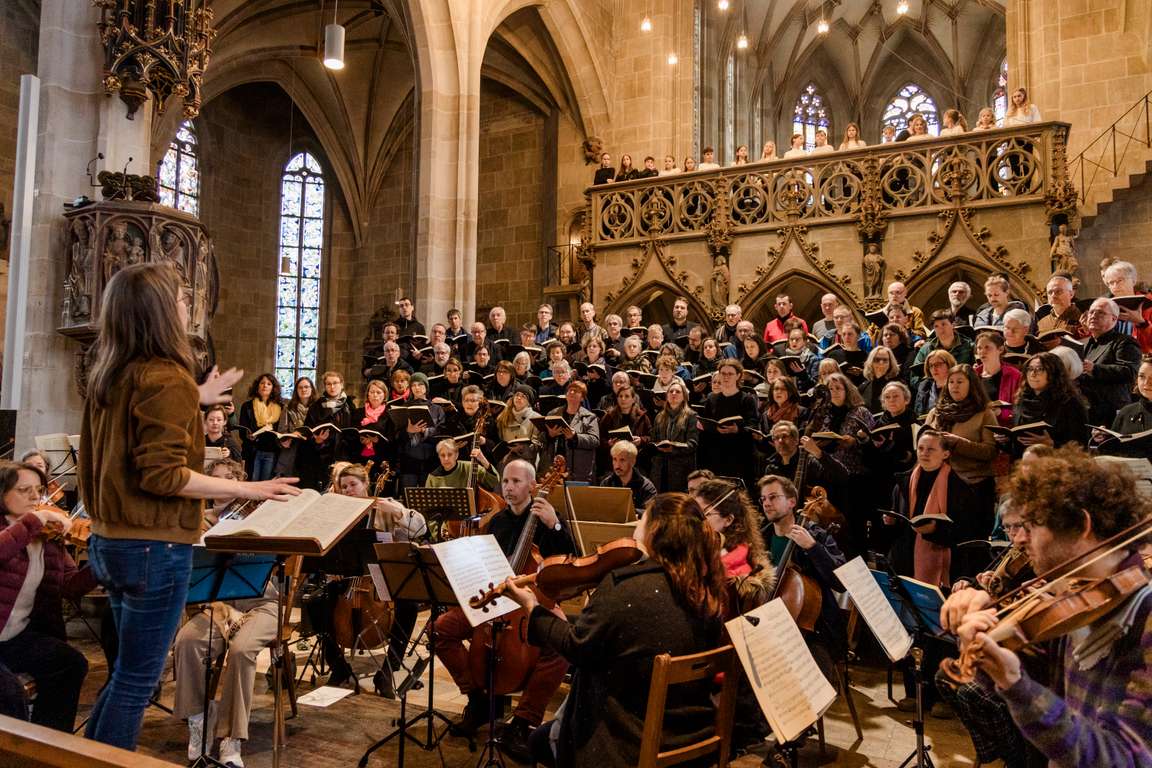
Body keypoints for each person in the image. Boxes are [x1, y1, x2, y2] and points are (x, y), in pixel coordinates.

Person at [78, 263, 299, 750]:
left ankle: (80, 759)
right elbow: (163, 476)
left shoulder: (111, 374)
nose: (186, 304)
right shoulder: (165, 378)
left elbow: (137, 433)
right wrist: (250, 491)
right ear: (159, 311)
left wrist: (193, 397)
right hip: (154, 545)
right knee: (137, 683)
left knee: (123, 678)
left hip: (109, 539)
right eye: (179, 298)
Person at [939, 446, 1151, 767]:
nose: (1021, 540)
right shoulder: (1074, 592)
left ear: (1082, 525)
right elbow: (1034, 681)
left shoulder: (1144, 615)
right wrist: (986, 626)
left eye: (1033, 524)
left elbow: (1125, 760)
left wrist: (1015, 684)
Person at [504, 492, 726, 768]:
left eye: (641, 519)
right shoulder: (705, 590)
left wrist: (533, 606)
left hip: (627, 743)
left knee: (540, 741)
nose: (635, 526)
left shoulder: (626, 586)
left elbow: (577, 648)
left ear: (654, 530)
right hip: (691, 737)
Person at [435, 460, 576, 759]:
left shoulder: (548, 518)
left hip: (532, 602)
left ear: (533, 486)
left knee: (564, 647)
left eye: (516, 482)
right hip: (493, 598)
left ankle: (524, 722)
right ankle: (478, 699)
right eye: (506, 482)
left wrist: (556, 525)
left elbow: (569, 560)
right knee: (440, 629)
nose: (509, 487)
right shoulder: (497, 522)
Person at [173, 462, 281, 766]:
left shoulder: (259, 514)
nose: (221, 485)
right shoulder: (196, 520)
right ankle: (199, 722)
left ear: (239, 484)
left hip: (261, 601)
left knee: (242, 649)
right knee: (187, 641)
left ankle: (232, 737)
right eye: (214, 480)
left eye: (228, 480)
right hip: (214, 604)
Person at [0, 460, 97, 733]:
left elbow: (69, 587)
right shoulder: (26, 526)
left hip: (14, 637)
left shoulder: (48, 538)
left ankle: (49, 744)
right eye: (24, 490)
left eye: (38, 490)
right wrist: (35, 519)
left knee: (70, 665)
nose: (34, 497)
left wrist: (101, 563)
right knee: (9, 694)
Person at [757, 474, 847, 677]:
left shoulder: (816, 535)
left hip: (813, 630)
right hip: (767, 624)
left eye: (773, 497)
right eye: (763, 499)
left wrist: (813, 548)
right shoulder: (759, 538)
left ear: (792, 502)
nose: (767, 503)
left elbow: (841, 583)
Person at [697, 359, 760, 488]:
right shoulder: (712, 398)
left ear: (738, 376)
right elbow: (707, 422)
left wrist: (738, 429)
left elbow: (753, 424)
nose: (726, 377)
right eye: (723, 373)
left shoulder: (747, 399)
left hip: (738, 453)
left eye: (730, 374)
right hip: (716, 452)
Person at [1080, 297, 1143, 425]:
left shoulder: (1125, 342)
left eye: (1100, 313)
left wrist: (1094, 368)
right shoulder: (1085, 344)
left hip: (1111, 411)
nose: (1093, 316)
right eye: (1091, 312)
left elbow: (1130, 372)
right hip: (1086, 409)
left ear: (1114, 319)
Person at [1012, 352, 1089, 450]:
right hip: (1022, 461)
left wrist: (1052, 444)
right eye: (1030, 369)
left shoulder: (1070, 402)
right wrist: (1006, 440)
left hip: (1055, 461)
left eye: (1039, 369)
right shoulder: (1022, 399)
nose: (1033, 374)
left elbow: (1081, 445)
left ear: (1053, 373)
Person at [539, 380, 600, 483]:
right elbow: (541, 439)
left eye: (576, 391)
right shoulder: (553, 413)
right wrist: (549, 435)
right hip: (553, 468)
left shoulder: (589, 417)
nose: (571, 393)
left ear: (582, 398)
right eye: (570, 390)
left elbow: (595, 440)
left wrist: (575, 437)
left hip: (577, 469)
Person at [649, 380, 699, 493]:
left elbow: (693, 444)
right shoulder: (659, 416)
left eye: (678, 391)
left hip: (680, 468)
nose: (674, 394)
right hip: (660, 468)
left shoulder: (691, 416)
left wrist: (674, 447)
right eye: (671, 391)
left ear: (684, 396)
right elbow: (653, 440)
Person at [237, 373, 283, 480]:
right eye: (262, 383)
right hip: (253, 450)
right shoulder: (247, 406)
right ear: (257, 386)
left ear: (273, 388)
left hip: (271, 451)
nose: (265, 386)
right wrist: (248, 435)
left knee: (266, 485)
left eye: (269, 384)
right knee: (252, 483)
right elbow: (242, 430)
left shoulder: (280, 406)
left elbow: (281, 430)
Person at [973, 331, 1022, 427]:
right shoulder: (973, 375)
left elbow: (1020, 409)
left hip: (1005, 427)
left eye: (987, 347)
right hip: (978, 427)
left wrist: (1000, 413)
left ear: (1000, 349)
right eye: (979, 348)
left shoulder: (1014, 375)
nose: (982, 351)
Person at [598, 440, 656, 512]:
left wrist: (626, 511)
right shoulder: (606, 483)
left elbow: (651, 512)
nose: (617, 465)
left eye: (622, 460)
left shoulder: (646, 486)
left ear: (632, 462)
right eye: (615, 459)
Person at [274, 376, 315, 477]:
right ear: (296, 390)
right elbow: (282, 431)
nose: (303, 390)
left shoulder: (317, 407)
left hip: (312, 450)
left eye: (306, 387)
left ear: (312, 389)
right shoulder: (288, 408)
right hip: (293, 451)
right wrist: (287, 438)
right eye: (300, 387)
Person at [426, 437, 499, 490]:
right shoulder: (433, 477)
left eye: (450, 454)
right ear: (438, 456)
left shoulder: (470, 467)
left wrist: (483, 459)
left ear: (456, 455)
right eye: (442, 455)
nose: (446, 459)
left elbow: (494, 482)